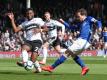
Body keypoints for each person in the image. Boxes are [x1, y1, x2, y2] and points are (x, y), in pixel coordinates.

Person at [42, 8, 102, 75]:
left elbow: (98, 22)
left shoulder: (88, 18)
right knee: (73, 55)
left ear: (83, 15)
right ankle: (84, 67)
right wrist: (63, 22)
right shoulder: (81, 23)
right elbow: (71, 27)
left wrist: (99, 28)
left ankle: (51, 67)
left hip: (83, 41)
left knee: (66, 53)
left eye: (79, 16)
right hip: (82, 42)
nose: (78, 18)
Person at [8, 8, 45, 72]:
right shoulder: (25, 23)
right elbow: (15, 30)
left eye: (30, 13)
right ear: (26, 15)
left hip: (37, 42)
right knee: (24, 48)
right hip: (29, 41)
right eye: (27, 13)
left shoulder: (38, 20)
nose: (29, 14)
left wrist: (40, 30)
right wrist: (12, 20)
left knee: (32, 59)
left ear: (33, 13)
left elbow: (47, 28)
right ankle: (25, 63)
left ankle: (38, 69)